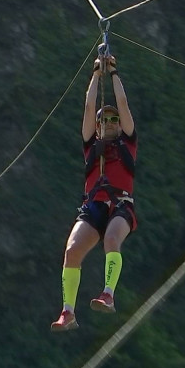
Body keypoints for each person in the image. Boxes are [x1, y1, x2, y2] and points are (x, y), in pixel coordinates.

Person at [51, 53, 138, 332]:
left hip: (120, 206)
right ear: (99, 126)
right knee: (72, 250)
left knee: (112, 238)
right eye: (106, 120)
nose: (110, 122)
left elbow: (122, 104)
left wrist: (113, 73)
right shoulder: (92, 146)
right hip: (93, 207)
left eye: (114, 119)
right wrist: (96, 75)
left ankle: (108, 294)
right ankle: (68, 312)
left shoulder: (128, 144)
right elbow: (90, 107)